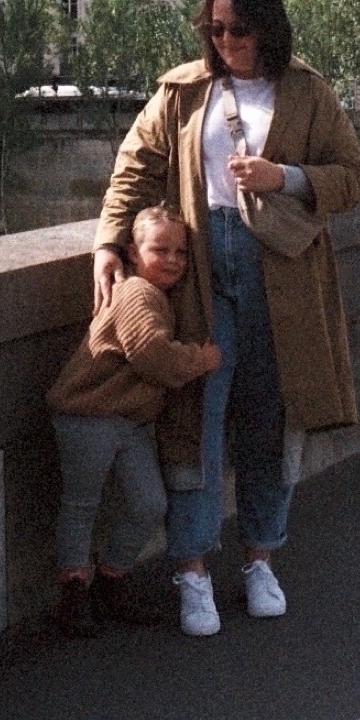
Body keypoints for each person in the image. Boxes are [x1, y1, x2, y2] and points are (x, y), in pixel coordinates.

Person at [93, 0, 360, 638]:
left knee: (269, 421)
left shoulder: (308, 92)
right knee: (196, 421)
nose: (223, 42)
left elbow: (351, 178)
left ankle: (261, 559)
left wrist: (287, 176)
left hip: (284, 275)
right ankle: (191, 572)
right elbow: (135, 167)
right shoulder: (185, 92)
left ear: (266, 28)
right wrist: (107, 243)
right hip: (202, 274)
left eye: (237, 30)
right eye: (212, 29)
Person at [47, 206, 220, 637]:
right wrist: (202, 359)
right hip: (89, 415)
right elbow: (151, 354)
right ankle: (74, 594)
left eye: (182, 251)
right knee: (82, 505)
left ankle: (110, 580)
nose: (174, 259)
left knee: (149, 503)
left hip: (129, 419)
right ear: (132, 252)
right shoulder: (138, 293)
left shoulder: (151, 293)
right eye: (160, 249)